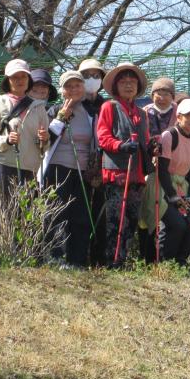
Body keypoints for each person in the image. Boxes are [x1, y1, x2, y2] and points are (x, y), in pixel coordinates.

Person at [96, 62, 154, 267]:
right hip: (117, 173)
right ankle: (113, 259)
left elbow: (145, 140)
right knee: (115, 219)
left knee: (131, 218)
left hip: (137, 174)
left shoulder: (142, 113)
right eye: (123, 82)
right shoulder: (109, 107)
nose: (128, 85)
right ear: (116, 86)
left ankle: (124, 258)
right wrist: (121, 145)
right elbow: (102, 137)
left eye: (132, 82)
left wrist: (151, 147)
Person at [42, 71, 96, 266]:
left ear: (83, 87)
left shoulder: (91, 111)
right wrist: (61, 118)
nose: (73, 90)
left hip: (82, 171)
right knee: (56, 214)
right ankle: (54, 258)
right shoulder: (53, 109)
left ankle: (77, 260)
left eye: (77, 85)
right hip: (58, 168)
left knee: (80, 217)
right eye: (69, 86)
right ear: (62, 90)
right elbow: (45, 141)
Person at [0, 59, 49, 202]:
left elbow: (44, 145)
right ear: (7, 80)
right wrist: (6, 140)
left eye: (23, 76)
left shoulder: (39, 107)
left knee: (28, 215)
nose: (20, 80)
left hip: (31, 168)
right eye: (15, 77)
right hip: (5, 165)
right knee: (7, 215)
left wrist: (44, 139)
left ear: (29, 79)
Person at [153, 98, 190, 265]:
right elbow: (162, 169)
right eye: (189, 116)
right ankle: (164, 263)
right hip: (163, 186)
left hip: (182, 187)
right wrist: (173, 196)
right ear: (179, 116)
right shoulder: (170, 135)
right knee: (176, 224)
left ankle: (180, 262)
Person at [78, 58, 108, 265]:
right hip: (76, 163)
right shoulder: (74, 103)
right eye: (86, 75)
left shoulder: (107, 105)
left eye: (96, 76)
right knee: (79, 211)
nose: (91, 79)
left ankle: (98, 258)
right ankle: (78, 256)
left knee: (101, 213)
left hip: (103, 165)